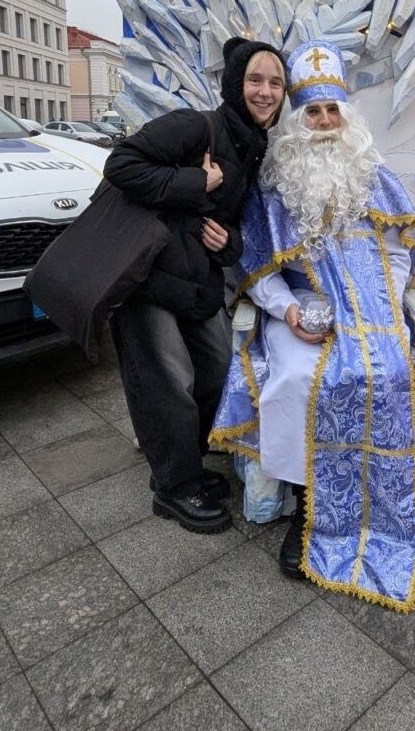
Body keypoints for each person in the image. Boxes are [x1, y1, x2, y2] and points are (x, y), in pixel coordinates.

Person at [210, 40, 415, 612]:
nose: (325, 122)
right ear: (297, 120)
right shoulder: (273, 185)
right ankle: (310, 506)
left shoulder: (374, 176)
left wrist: (388, 305)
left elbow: (400, 250)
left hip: (374, 312)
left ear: (346, 116)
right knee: (304, 378)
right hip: (303, 311)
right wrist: (289, 313)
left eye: (332, 111)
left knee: (388, 372)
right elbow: (257, 270)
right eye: (313, 112)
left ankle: (378, 510)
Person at [103, 37, 286, 534]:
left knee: (217, 368)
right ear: (235, 84)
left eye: (275, 82)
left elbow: (228, 227)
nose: (265, 91)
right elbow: (120, 164)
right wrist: (194, 183)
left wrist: (227, 244)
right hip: (149, 277)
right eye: (255, 80)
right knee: (166, 380)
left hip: (196, 280)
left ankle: (187, 465)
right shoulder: (194, 125)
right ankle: (173, 486)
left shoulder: (252, 147)